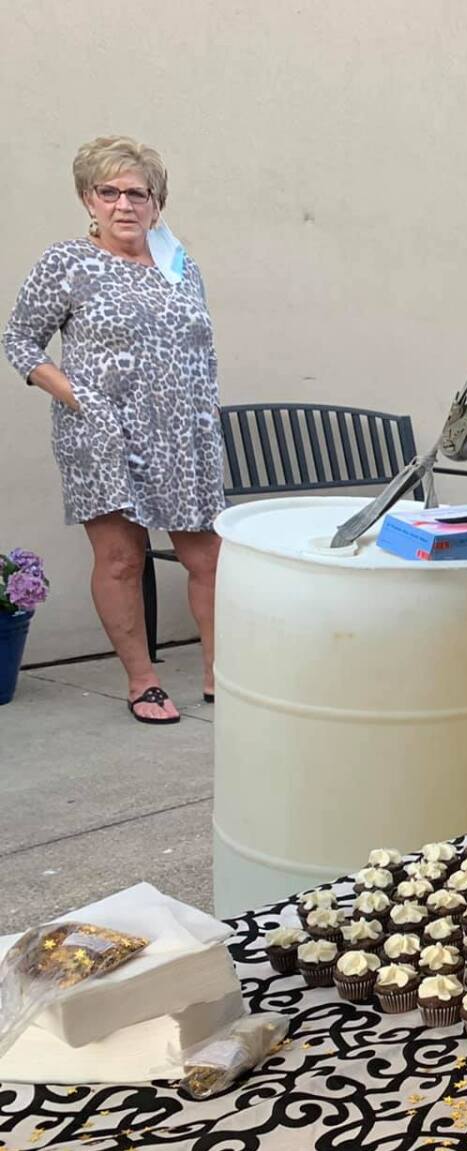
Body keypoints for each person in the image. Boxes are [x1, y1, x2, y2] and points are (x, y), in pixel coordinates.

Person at [5, 137, 223, 724]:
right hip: (104, 436)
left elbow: (201, 351)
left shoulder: (181, 268)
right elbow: (19, 340)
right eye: (110, 192)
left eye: (137, 193)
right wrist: (79, 398)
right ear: (88, 199)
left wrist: (206, 416)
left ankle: (218, 673)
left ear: (156, 203)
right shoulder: (67, 263)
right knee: (123, 559)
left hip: (184, 436)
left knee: (209, 559)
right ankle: (143, 682)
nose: (124, 204)